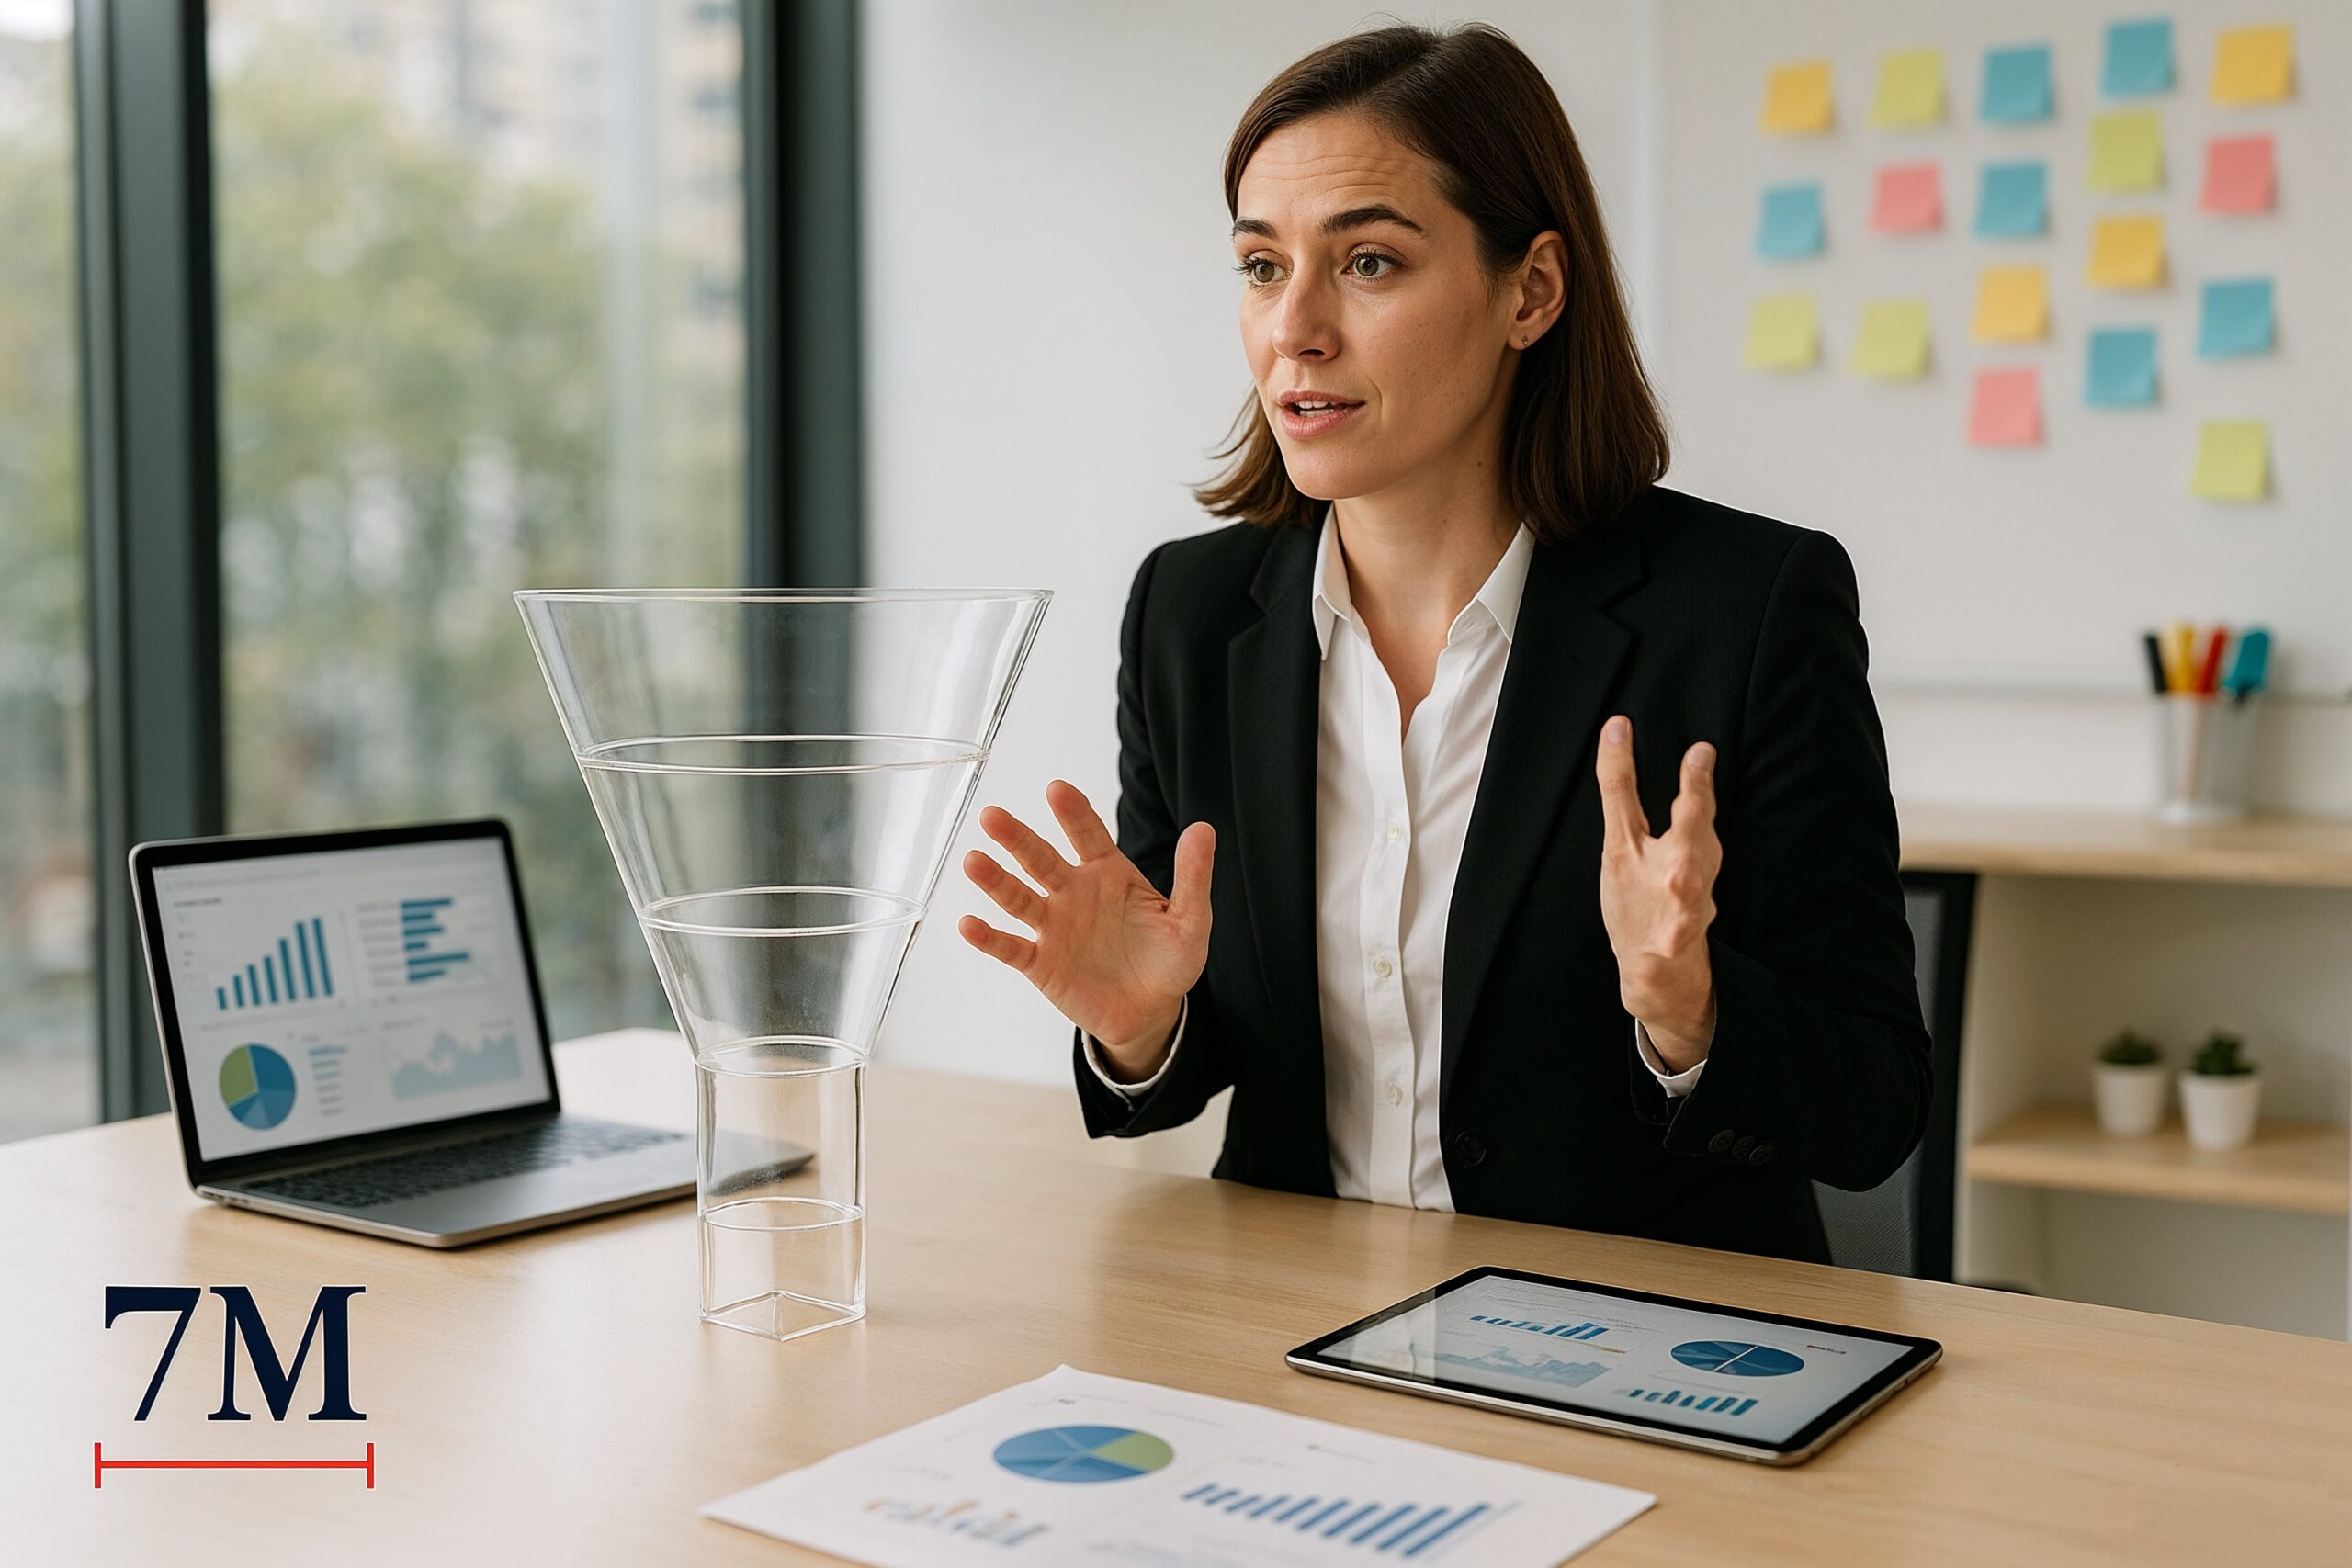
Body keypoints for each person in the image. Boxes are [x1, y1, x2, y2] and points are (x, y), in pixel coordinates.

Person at [956, 22, 1930, 1265]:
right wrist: (1142, 1031)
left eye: (1367, 262)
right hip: (1296, 1344)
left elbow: (1875, 1103)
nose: (1295, 330)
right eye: (1262, 267)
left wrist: (1692, 1016)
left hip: (1633, 1356)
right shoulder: (1193, 619)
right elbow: (1199, 1033)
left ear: (1531, 291)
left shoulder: (1749, 608)